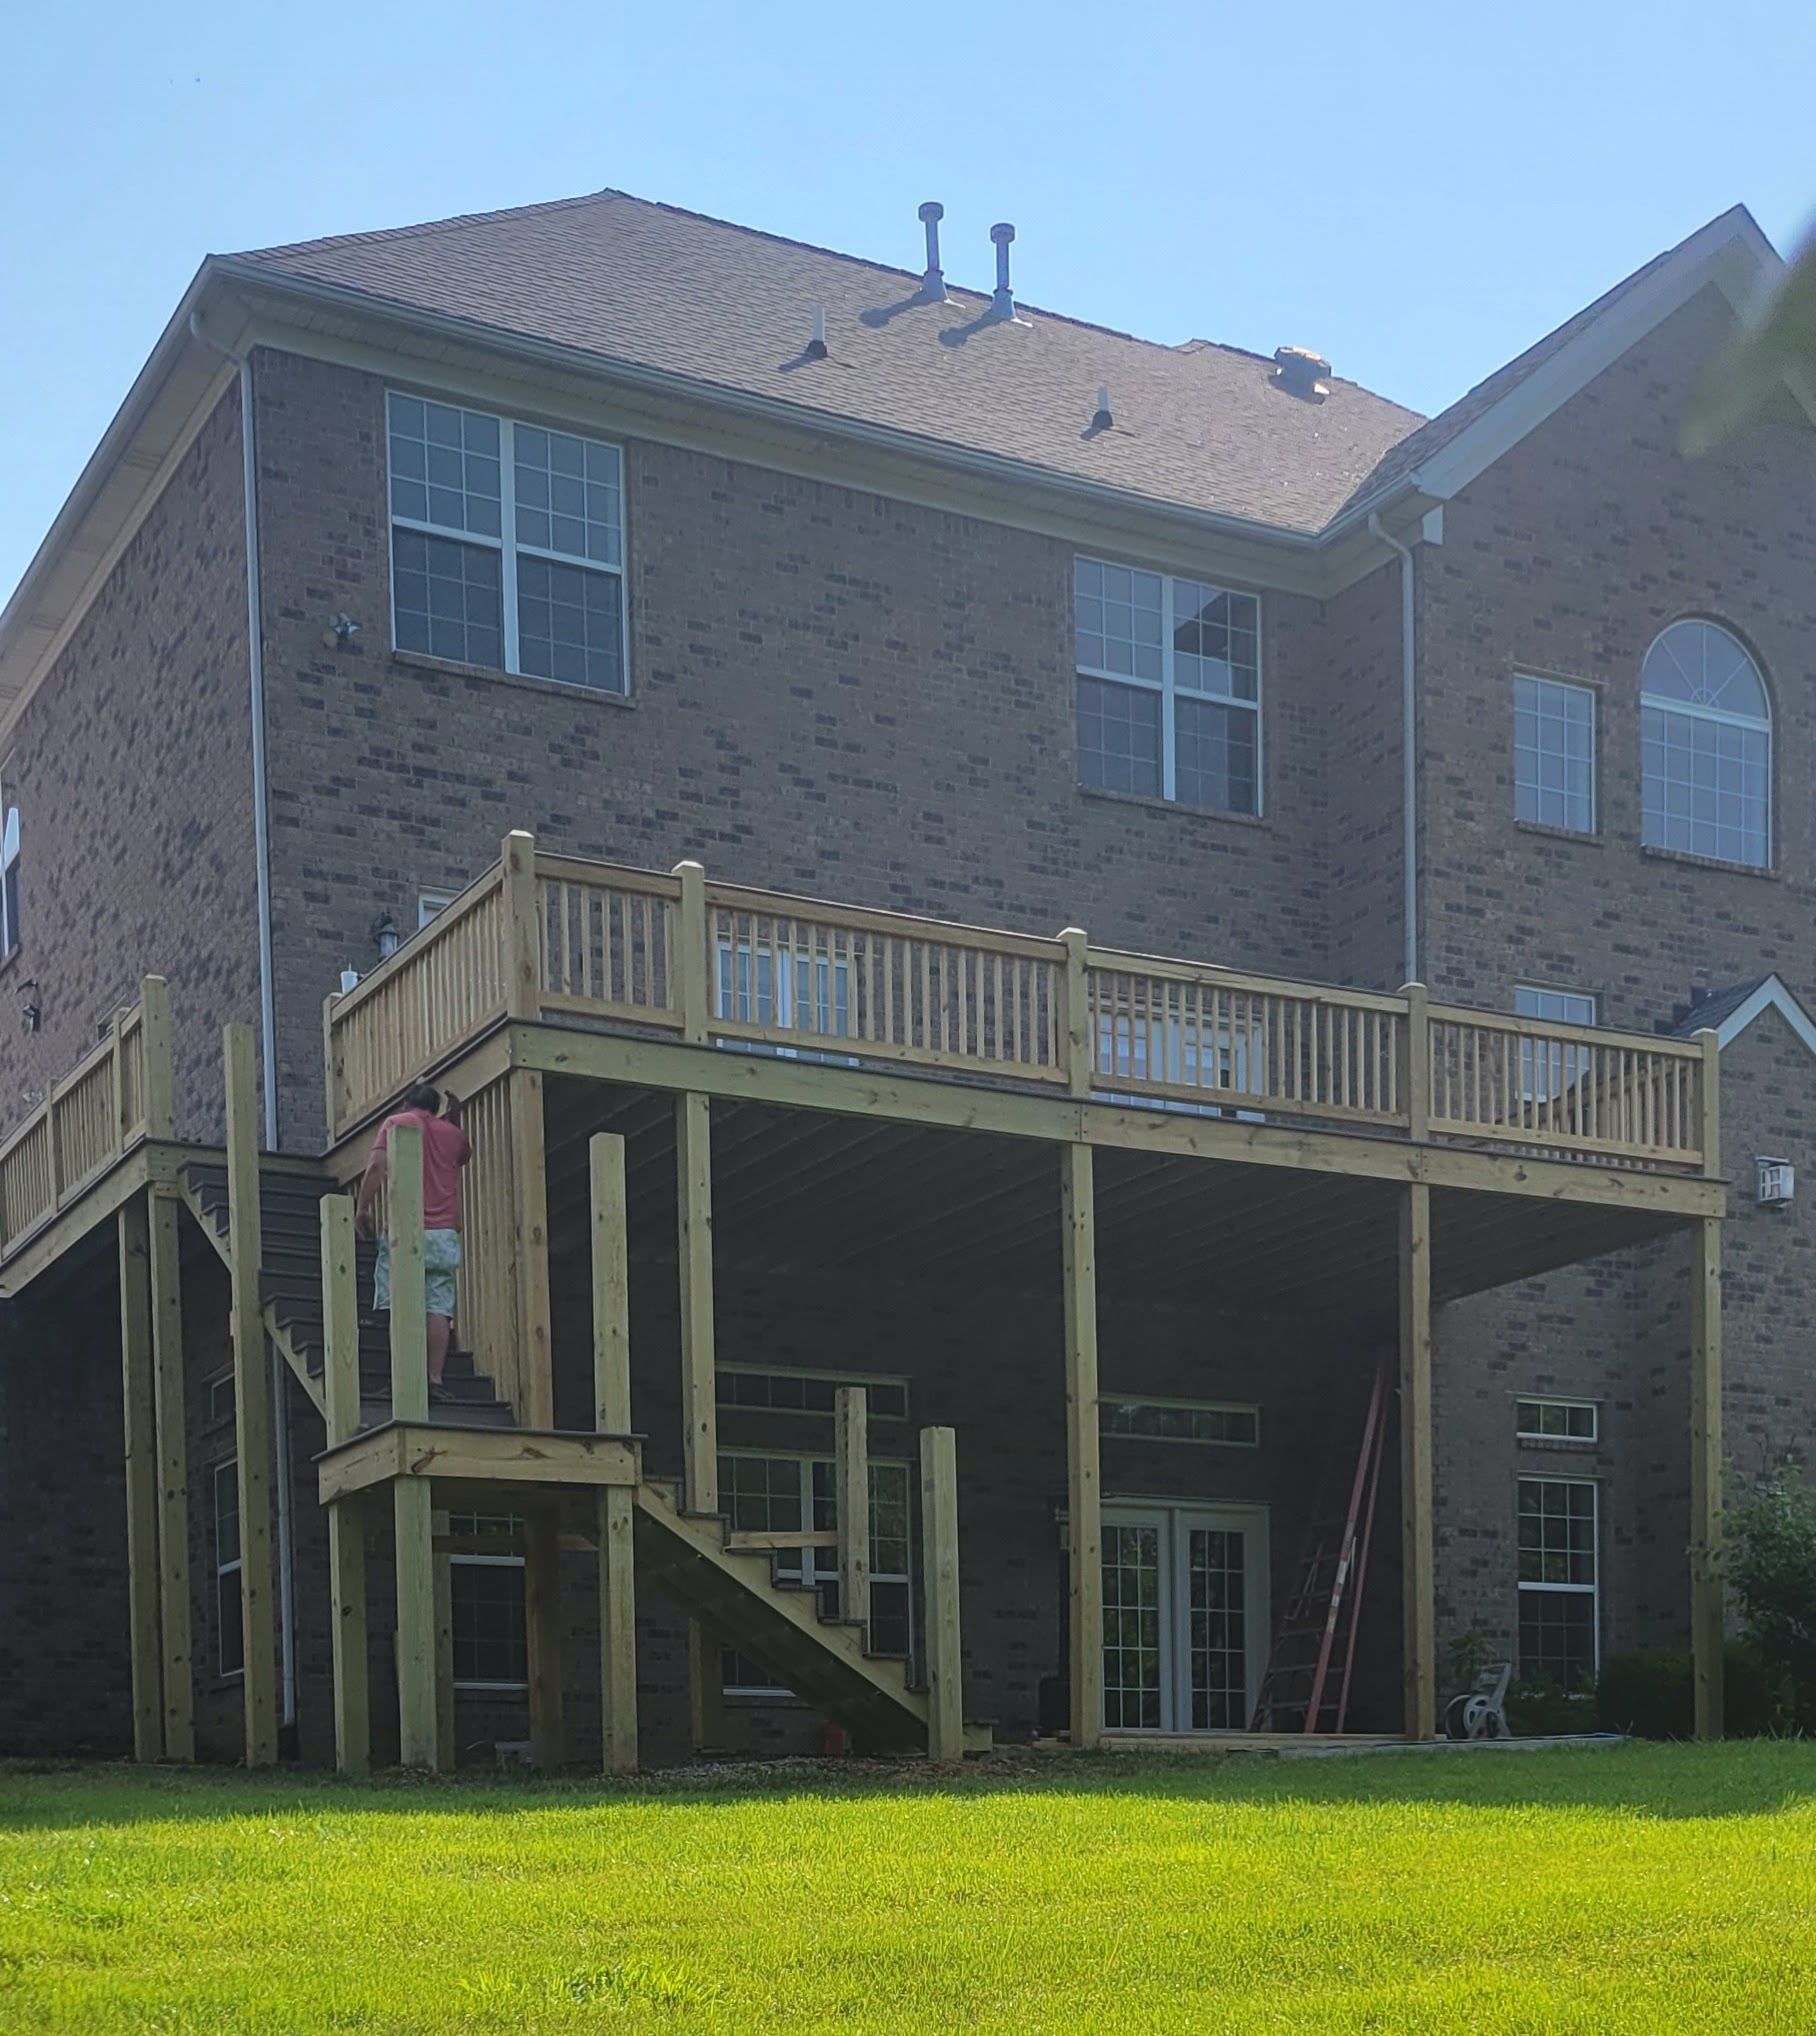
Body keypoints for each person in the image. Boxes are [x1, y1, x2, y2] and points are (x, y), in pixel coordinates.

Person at [355, 1081, 472, 1401]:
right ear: (435, 1108)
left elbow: (377, 1167)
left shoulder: (396, 1123)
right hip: (444, 1232)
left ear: (407, 1104)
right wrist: (455, 1119)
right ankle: (434, 1379)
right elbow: (461, 1155)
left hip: (406, 1230)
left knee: (402, 1301)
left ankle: (405, 1378)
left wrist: (362, 1208)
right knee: (438, 1306)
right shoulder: (453, 1134)